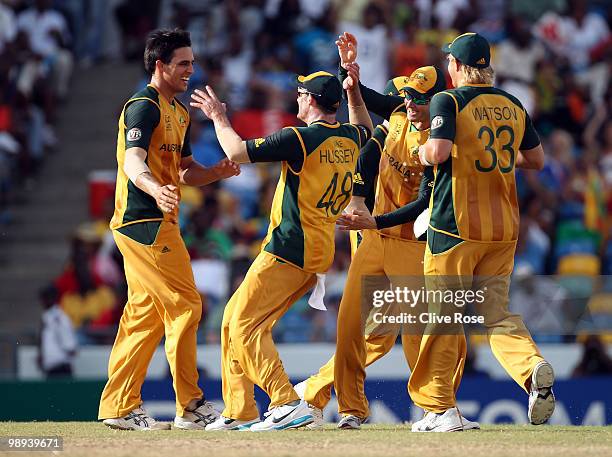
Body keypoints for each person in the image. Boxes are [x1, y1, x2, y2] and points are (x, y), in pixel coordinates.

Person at [293, 33, 477, 430]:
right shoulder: (399, 114)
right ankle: (350, 409)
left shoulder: (441, 142)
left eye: (419, 99)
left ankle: (438, 407)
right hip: (373, 240)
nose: (410, 104)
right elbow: (368, 149)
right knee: (350, 326)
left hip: (410, 242)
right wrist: (350, 73)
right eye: (407, 96)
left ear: (439, 101)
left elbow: (424, 204)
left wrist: (372, 220)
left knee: (416, 334)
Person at [190, 67, 372, 431]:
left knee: (243, 326)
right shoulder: (352, 137)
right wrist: (353, 93)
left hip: (289, 249)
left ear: (311, 100)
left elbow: (238, 151)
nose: (297, 99)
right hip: (316, 249)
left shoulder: (300, 138)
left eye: (301, 94)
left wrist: (218, 116)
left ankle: (286, 401)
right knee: (232, 321)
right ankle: (239, 410)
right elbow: (366, 126)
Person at [411, 32, 554, 432]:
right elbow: (536, 160)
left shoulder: (448, 100)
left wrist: (419, 151)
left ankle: (440, 408)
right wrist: (495, 161)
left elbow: (437, 153)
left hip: (455, 227)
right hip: (503, 228)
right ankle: (531, 367)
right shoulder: (512, 102)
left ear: (456, 66)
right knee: (496, 314)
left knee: (442, 316)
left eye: (448, 63)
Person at [99, 28, 240, 431]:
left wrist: (215, 172)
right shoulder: (143, 106)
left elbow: (185, 172)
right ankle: (191, 405)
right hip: (144, 221)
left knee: (145, 314)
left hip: (157, 221)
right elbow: (133, 162)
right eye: (183, 63)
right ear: (160, 65)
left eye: (192, 63)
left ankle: (119, 406)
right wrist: (154, 189)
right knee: (186, 305)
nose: (190, 70)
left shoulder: (178, 111)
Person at [38, 285, 77, 378]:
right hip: (50, 367)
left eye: (45, 298)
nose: (42, 302)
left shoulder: (59, 318)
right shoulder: (47, 317)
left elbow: (70, 346)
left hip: (61, 366)